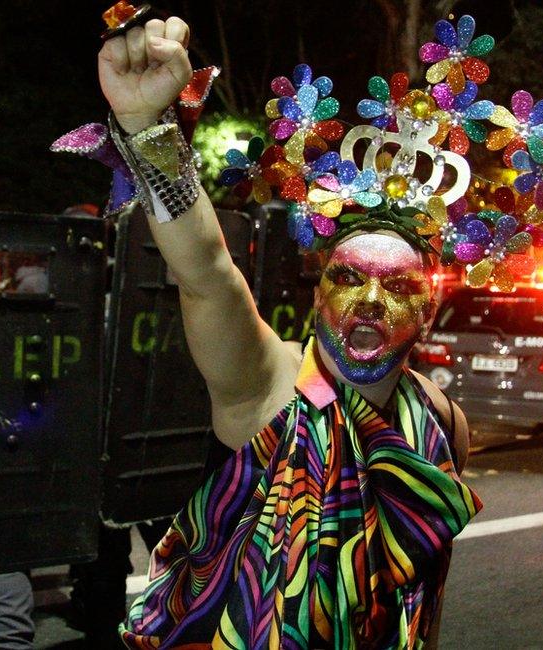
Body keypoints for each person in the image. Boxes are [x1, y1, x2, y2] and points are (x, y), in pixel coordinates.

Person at [93, 13, 487, 649]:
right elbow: (207, 274)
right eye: (349, 276)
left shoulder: (441, 420)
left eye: (399, 286)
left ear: (430, 311)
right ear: (317, 290)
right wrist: (147, 129)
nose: (369, 300)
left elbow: (420, 588)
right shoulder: (265, 383)